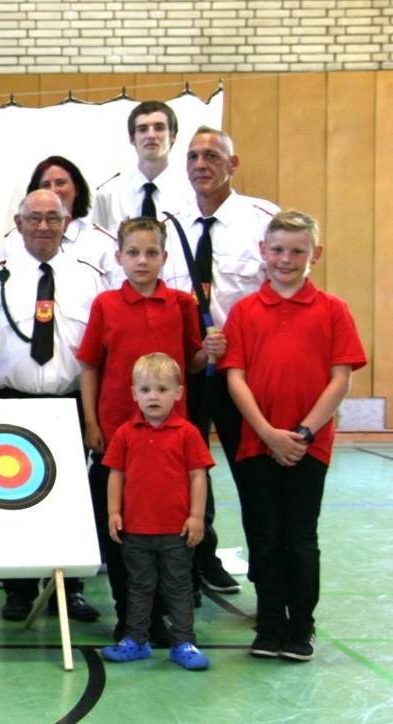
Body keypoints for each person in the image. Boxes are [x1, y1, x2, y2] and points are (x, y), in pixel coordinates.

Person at [0, 188, 107, 622]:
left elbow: (100, 352)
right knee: (15, 502)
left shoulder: (89, 277)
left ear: (66, 225)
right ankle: (18, 590)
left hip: (71, 404)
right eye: (34, 218)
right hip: (11, 403)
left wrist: (94, 416)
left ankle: (69, 589)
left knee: (70, 502)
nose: (44, 226)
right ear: (18, 223)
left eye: (53, 219)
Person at [221, 210, 365, 662]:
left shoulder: (333, 310)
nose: (286, 259)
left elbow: (340, 379)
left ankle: (300, 627)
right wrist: (266, 432)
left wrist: (302, 433)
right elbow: (235, 379)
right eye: (278, 249)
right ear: (264, 252)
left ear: (314, 255)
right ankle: (269, 625)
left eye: (297, 251)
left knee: (300, 537)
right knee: (264, 535)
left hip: (310, 446)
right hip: (255, 444)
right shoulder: (244, 312)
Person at [77, 217, 221, 642]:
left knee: (170, 530)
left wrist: (207, 352)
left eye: (151, 253)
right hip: (119, 436)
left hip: (171, 441)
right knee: (123, 531)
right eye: (133, 253)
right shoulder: (105, 305)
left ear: (164, 257)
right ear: (119, 257)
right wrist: (92, 421)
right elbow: (90, 366)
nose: (142, 261)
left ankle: (166, 618)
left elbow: (192, 363)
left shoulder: (180, 305)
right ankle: (130, 618)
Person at [162, 126, 280, 598]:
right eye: (192, 157)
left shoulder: (261, 220)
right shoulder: (169, 222)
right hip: (186, 373)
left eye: (212, 156)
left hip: (243, 374)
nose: (200, 164)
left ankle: (267, 576)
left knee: (253, 474)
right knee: (186, 471)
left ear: (233, 164)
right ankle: (197, 562)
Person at [100, 353, 214, 671]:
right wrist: (113, 512)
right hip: (136, 531)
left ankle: (183, 642)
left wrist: (196, 516)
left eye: (162, 389)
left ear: (178, 392)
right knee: (138, 586)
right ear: (134, 393)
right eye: (146, 389)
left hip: (176, 531)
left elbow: (198, 476)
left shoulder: (188, 433)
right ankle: (136, 640)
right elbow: (116, 475)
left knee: (179, 587)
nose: (153, 396)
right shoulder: (124, 434)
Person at [1, 156, 120, 285]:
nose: (53, 190)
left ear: (77, 189)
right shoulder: (14, 240)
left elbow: (116, 291)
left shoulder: (102, 242)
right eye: (45, 185)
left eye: (60, 183)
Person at [92, 101, 191, 230]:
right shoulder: (108, 195)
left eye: (159, 128)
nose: (151, 135)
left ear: (173, 136)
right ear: (132, 138)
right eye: (143, 129)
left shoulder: (191, 193)